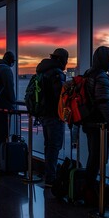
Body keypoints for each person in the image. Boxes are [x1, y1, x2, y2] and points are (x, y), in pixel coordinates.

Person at [81, 46, 109, 205]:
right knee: (97, 159)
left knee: (93, 157)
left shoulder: (89, 73)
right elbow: (103, 102)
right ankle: (91, 194)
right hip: (99, 125)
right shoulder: (101, 76)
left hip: (89, 122)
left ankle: (89, 191)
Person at [35, 48, 68, 187]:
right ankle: (51, 177)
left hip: (43, 114)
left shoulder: (42, 71)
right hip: (54, 115)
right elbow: (59, 97)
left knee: (48, 145)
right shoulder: (56, 73)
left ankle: (49, 174)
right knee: (54, 146)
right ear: (61, 60)